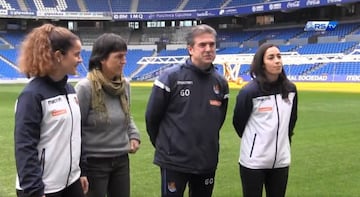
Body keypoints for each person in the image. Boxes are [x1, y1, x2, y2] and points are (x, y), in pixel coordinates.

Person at [145, 24, 229, 197]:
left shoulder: (221, 83)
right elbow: (152, 118)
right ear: (190, 49)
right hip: (174, 161)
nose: (208, 49)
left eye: (212, 45)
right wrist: (167, 146)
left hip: (207, 160)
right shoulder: (170, 77)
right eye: (202, 45)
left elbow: (218, 120)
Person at [14, 23, 88, 197]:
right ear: (58, 56)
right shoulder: (32, 96)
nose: (80, 59)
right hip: (43, 188)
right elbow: (25, 147)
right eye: (76, 54)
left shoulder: (71, 90)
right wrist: (34, 190)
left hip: (71, 182)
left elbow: (76, 135)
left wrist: (81, 171)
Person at [75, 33, 140, 197]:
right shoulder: (85, 87)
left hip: (121, 159)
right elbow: (76, 128)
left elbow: (127, 115)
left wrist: (134, 135)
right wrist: (81, 167)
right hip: (94, 163)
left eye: (125, 56)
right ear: (102, 58)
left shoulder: (125, 85)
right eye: (119, 56)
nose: (124, 61)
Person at [232, 43, 298, 197]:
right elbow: (238, 123)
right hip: (254, 162)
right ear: (261, 64)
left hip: (281, 161)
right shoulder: (250, 91)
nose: (277, 61)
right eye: (271, 57)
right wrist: (256, 144)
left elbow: (291, 122)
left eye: (279, 56)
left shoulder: (290, 90)